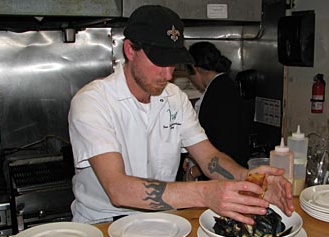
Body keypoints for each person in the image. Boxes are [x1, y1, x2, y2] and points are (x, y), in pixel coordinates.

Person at [68, 4, 294, 225]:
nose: (168, 74)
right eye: (159, 61)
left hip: (161, 222)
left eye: (173, 63)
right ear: (130, 50)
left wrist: (250, 181)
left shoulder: (175, 98)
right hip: (103, 225)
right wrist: (205, 193)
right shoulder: (92, 102)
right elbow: (118, 190)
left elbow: (209, 159)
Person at [182, 42, 250, 181]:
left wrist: (197, 170)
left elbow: (226, 146)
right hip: (227, 169)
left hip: (225, 174)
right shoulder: (223, 85)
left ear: (195, 69)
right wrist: (192, 157)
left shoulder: (219, 94)